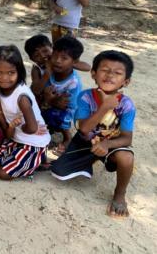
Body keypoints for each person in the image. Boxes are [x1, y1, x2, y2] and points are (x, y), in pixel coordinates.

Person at [51, 51, 136, 218]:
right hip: (85, 141)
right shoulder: (85, 97)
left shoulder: (126, 105)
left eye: (117, 73)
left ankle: (119, 194)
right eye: (105, 70)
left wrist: (106, 144)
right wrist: (105, 106)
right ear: (93, 74)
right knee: (58, 171)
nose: (110, 75)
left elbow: (127, 138)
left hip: (110, 144)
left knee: (126, 158)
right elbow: (83, 129)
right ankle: (90, 160)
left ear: (126, 82)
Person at [0, 45, 51, 179]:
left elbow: (32, 128)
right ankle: (22, 162)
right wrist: (12, 127)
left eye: (11, 73)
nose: (4, 78)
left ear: (19, 71)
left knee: (2, 174)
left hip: (33, 144)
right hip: (15, 139)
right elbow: (4, 120)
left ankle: (37, 162)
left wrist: (20, 127)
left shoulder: (22, 98)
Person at [41, 37, 84, 155]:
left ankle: (67, 138)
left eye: (64, 58)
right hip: (52, 103)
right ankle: (49, 129)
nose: (57, 61)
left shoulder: (73, 82)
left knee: (62, 117)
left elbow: (72, 106)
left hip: (67, 109)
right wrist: (50, 100)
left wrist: (52, 100)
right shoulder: (50, 72)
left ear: (74, 62)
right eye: (55, 56)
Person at [24, 34, 91, 103]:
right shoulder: (36, 69)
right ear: (32, 59)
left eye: (45, 51)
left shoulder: (58, 61)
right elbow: (36, 91)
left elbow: (88, 67)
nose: (42, 56)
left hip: (62, 100)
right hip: (43, 101)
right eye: (36, 55)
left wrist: (70, 64)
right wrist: (47, 73)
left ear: (52, 47)